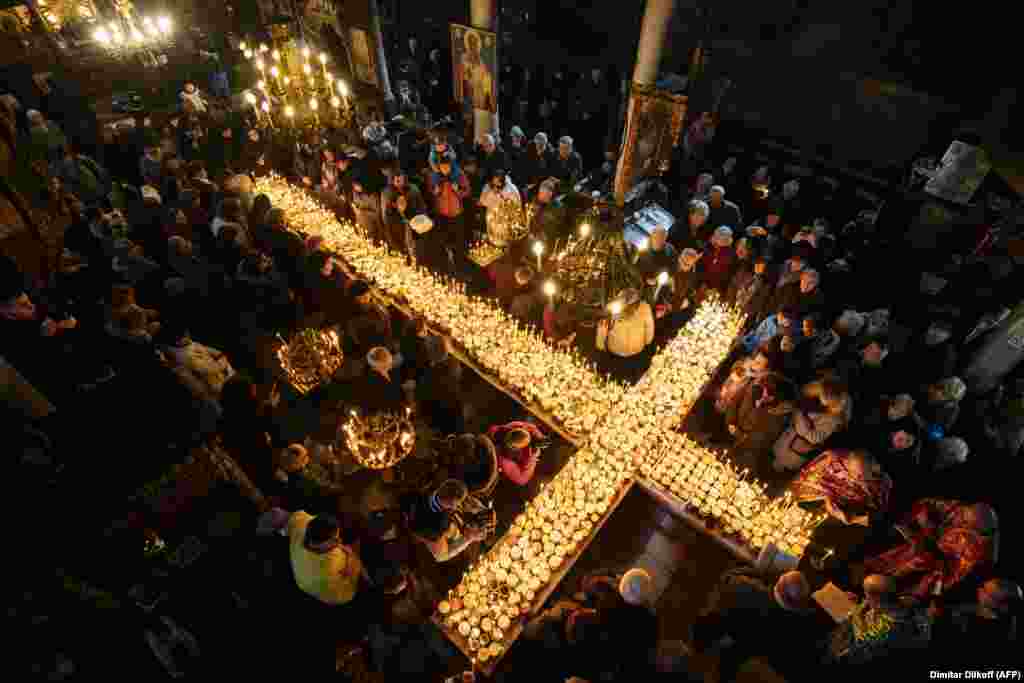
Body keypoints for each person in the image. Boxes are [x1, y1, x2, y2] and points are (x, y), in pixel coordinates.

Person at [691, 568, 817, 683]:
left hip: (729, 627)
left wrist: (759, 571)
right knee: (732, 659)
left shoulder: (745, 587)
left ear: (779, 583)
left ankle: (697, 651)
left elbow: (729, 574)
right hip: (750, 647)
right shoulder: (794, 626)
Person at [863, 499, 999, 601]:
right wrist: (926, 521)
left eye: (964, 522)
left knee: (913, 564)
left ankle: (879, 586)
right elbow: (930, 505)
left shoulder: (975, 552)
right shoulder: (965, 512)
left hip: (936, 572)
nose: (959, 520)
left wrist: (922, 545)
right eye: (962, 517)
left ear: (976, 529)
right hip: (927, 549)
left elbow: (945, 573)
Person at [820, 575, 931, 666]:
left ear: (876, 599)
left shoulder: (885, 628)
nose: (865, 598)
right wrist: (861, 603)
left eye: (866, 594)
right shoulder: (905, 600)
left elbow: (860, 644)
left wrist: (856, 614)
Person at [790, 449, 892, 526]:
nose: (857, 479)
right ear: (846, 462)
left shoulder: (879, 483)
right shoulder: (830, 460)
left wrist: (851, 519)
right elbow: (802, 481)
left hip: (849, 515)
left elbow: (880, 516)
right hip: (816, 500)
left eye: (862, 476)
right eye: (855, 474)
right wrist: (825, 496)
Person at [773, 378, 851, 472]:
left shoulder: (833, 418)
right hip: (786, 443)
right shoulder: (816, 392)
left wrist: (799, 414)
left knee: (784, 463)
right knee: (778, 455)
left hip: (793, 453)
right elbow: (800, 402)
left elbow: (815, 438)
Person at [726, 371, 796, 474]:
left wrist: (741, 435)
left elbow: (761, 439)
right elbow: (736, 401)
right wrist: (731, 421)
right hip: (732, 434)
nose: (764, 394)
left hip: (746, 451)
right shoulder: (756, 388)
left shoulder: (779, 415)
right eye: (764, 390)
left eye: (769, 393)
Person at [287, 511, 362, 605]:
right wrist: (350, 557)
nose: (339, 541)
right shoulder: (331, 568)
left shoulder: (301, 525)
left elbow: (295, 517)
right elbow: (353, 577)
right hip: (338, 595)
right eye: (334, 540)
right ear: (319, 543)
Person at [404, 479, 486, 562]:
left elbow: (457, 495)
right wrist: (469, 539)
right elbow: (441, 556)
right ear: (452, 504)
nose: (460, 504)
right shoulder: (437, 526)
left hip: (421, 514)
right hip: (424, 536)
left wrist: (482, 509)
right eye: (459, 503)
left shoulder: (433, 487)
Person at [430, 158, 471, 269]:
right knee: (445, 239)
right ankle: (447, 263)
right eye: (442, 167)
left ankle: (461, 263)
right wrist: (436, 191)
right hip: (442, 214)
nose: (445, 169)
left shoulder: (459, 175)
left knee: (459, 240)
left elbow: (467, 191)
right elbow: (431, 191)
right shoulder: (435, 177)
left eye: (447, 166)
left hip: (456, 213)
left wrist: (457, 190)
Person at [381, 166, 427, 254]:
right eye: (396, 179)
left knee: (414, 250)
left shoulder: (413, 189)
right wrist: (392, 207)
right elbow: (385, 216)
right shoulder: (387, 194)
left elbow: (422, 206)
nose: (398, 182)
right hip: (397, 228)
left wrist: (420, 219)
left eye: (400, 178)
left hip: (414, 226)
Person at [596, 288, 655, 358]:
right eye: (627, 306)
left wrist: (648, 342)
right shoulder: (611, 310)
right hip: (615, 353)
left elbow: (649, 328)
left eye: (632, 306)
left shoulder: (644, 308)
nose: (629, 309)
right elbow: (602, 330)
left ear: (637, 304)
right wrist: (601, 347)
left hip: (637, 352)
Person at [488, 420, 546, 486]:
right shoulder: (506, 461)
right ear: (517, 449)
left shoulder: (514, 426)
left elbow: (530, 427)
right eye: (527, 443)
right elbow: (522, 480)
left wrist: (539, 436)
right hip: (500, 471)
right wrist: (533, 459)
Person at [345, 281, 393, 355]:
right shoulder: (355, 317)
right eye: (361, 296)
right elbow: (358, 338)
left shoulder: (375, 305)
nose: (365, 297)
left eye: (366, 293)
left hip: (383, 341)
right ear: (355, 299)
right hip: (374, 347)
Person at [478, 169, 522, 247]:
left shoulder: (511, 190)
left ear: (503, 183)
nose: (495, 187)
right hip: (492, 220)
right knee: (493, 242)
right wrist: (491, 193)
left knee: (503, 243)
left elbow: (516, 205)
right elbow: (482, 201)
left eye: (498, 185)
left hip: (504, 222)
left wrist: (503, 197)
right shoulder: (488, 187)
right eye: (493, 184)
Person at [701, 226, 736, 294]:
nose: (723, 241)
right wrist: (703, 283)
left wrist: (717, 288)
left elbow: (724, 273)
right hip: (702, 283)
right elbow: (702, 267)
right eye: (721, 238)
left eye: (725, 240)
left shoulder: (729, 253)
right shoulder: (706, 248)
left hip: (716, 287)